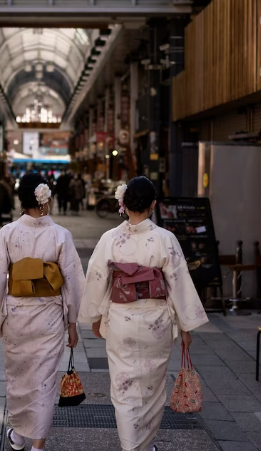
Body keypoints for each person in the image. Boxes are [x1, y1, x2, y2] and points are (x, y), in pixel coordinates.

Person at [0, 173, 85, 451]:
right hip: (49, 317)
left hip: (17, 315)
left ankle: (17, 436)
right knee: (45, 383)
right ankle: (38, 445)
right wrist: (72, 322)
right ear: (44, 200)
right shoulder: (60, 235)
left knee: (19, 379)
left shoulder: (9, 232)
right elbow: (73, 282)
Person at [79, 176, 208, 451]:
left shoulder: (110, 239)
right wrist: (186, 328)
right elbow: (179, 284)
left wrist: (95, 316)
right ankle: (144, 445)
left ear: (123, 204)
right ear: (153, 205)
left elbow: (97, 278)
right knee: (152, 389)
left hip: (121, 321)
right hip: (155, 323)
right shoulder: (165, 239)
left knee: (124, 389)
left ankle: (130, 445)